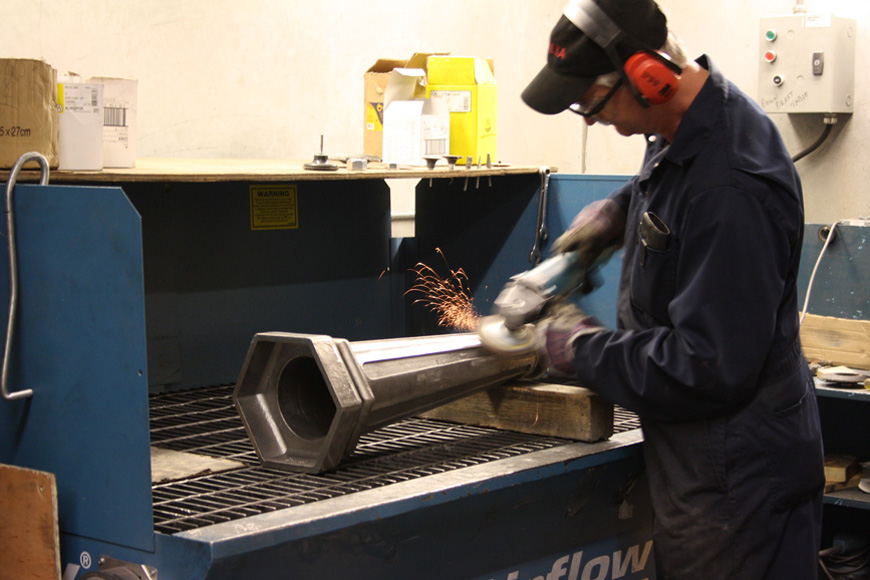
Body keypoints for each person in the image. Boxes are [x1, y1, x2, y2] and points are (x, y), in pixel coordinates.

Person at [521, 0, 825, 579]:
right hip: (707, 459)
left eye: (590, 101)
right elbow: (667, 192)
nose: (588, 119)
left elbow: (706, 365)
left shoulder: (732, 183)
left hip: (737, 479)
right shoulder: (683, 124)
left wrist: (577, 347)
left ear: (648, 77)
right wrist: (614, 215)